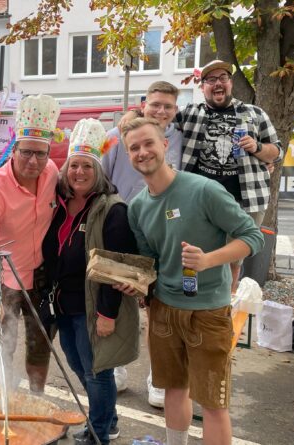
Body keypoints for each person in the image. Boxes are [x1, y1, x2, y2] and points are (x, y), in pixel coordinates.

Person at [119, 118, 264, 445]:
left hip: (208, 313)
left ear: (165, 144)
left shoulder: (203, 190)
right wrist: (138, 283)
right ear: (128, 155)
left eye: (148, 143)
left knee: (213, 402)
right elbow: (150, 262)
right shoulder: (137, 207)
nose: (143, 152)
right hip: (164, 311)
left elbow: (253, 236)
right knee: (173, 389)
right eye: (134, 148)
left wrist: (208, 260)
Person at [42, 119, 140, 445]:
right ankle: (108, 419)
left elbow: (115, 267)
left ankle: (99, 433)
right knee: (77, 363)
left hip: (93, 306)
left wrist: (107, 314)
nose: (79, 172)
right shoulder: (62, 204)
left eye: (87, 166)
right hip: (66, 303)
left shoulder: (112, 210)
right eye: (74, 165)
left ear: (98, 171)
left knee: (97, 372)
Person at [103, 80, 182, 406]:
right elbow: (102, 179)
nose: (161, 111)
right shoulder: (115, 137)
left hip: (161, 230)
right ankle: (119, 369)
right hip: (123, 228)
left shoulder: (178, 136)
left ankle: (158, 380)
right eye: (155, 104)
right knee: (120, 301)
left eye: (168, 106)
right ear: (143, 104)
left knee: (156, 308)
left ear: (175, 111)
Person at [0, 94, 60, 394]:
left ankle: (36, 399)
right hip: (4, 280)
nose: (33, 161)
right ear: (14, 150)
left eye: (41, 153)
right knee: (1, 344)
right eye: (26, 153)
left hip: (40, 275)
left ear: (49, 153)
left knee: (40, 343)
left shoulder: (52, 173)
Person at [176, 59, 282, 292]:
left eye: (222, 78)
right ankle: (190, 298)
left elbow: (276, 152)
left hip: (245, 199)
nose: (217, 84)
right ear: (202, 86)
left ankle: (226, 305)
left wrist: (256, 148)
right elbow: (157, 124)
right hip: (199, 201)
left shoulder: (254, 114)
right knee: (192, 253)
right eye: (211, 80)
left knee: (235, 259)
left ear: (231, 83)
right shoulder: (190, 113)